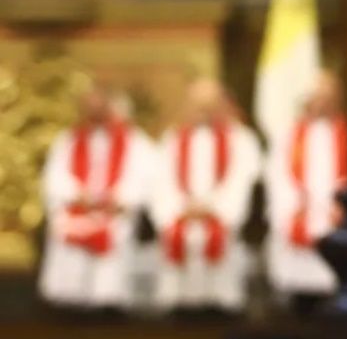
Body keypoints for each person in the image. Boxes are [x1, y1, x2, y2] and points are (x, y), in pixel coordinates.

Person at [39, 83, 155, 310]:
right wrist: (76, 194)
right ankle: (69, 300)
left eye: (99, 108)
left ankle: (108, 301)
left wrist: (121, 198)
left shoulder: (134, 140)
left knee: (116, 233)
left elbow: (145, 175)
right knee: (66, 230)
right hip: (78, 207)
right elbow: (55, 176)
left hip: (115, 209)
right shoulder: (68, 140)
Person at [150, 78, 262, 312]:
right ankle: (179, 306)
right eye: (198, 105)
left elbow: (241, 182)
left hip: (220, 218)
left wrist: (214, 208)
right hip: (182, 215)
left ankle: (220, 307)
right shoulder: (171, 140)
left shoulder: (241, 140)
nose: (204, 112)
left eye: (209, 105)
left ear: (221, 105)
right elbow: (160, 182)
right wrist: (182, 208)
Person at [264, 71, 347, 305]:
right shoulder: (287, 135)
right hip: (299, 214)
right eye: (318, 97)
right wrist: (298, 205)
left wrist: (341, 204)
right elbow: (277, 177)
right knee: (300, 300)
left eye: (329, 97)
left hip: (338, 218)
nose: (323, 104)